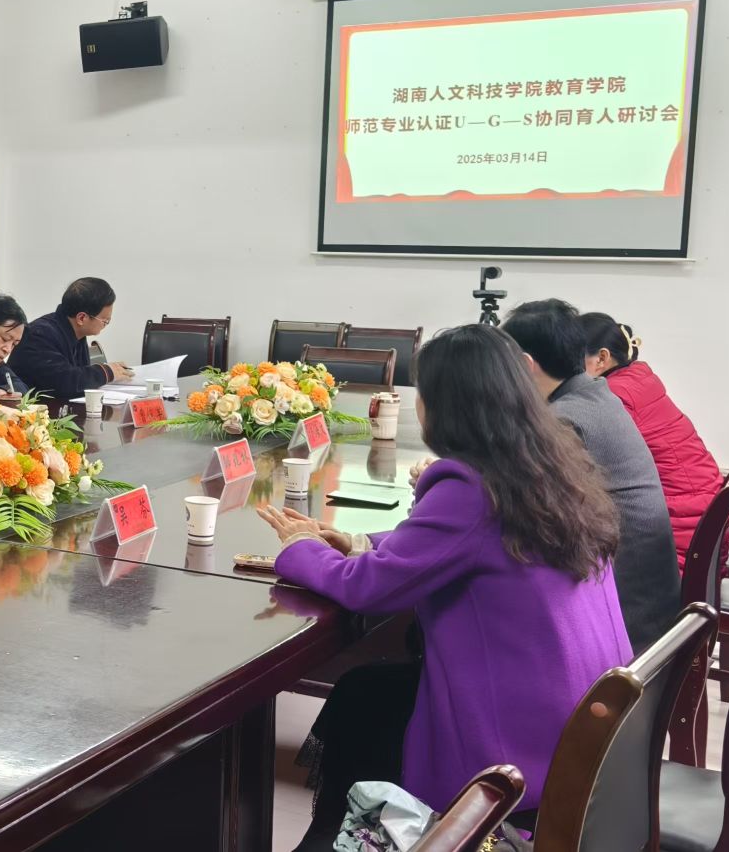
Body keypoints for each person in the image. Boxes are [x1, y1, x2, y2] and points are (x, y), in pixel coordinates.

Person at [255, 325, 633, 849]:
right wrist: (360, 542)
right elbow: (465, 545)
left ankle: (355, 839)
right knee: (364, 693)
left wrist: (301, 547)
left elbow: (369, 590)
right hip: (578, 722)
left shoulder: (470, 484)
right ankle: (341, 837)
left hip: (513, 745)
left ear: (443, 405)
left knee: (365, 707)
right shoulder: (548, 462)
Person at [503, 298, 682, 653]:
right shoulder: (598, 395)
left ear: (523, 365)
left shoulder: (565, 420)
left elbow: (525, 520)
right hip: (651, 609)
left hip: (625, 627)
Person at [582, 312, 722, 565]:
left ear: (602, 358)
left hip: (675, 543)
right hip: (701, 524)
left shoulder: (613, 394)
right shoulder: (637, 378)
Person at [10, 277, 132, 400]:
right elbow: (65, 383)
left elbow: (79, 374)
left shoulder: (76, 332)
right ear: (82, 318)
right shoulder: (40, 335)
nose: (105, 325)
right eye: (105, 321)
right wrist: (106, 372)